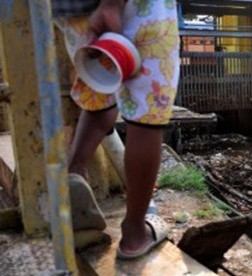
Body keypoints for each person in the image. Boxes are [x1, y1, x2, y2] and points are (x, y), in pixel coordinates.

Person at [52, 0, 179, 259]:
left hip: (74, 14)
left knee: (101, 90)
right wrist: (111, 5)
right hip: (132, 7)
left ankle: (74, 175)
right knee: (146, 118)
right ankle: (134, 233)